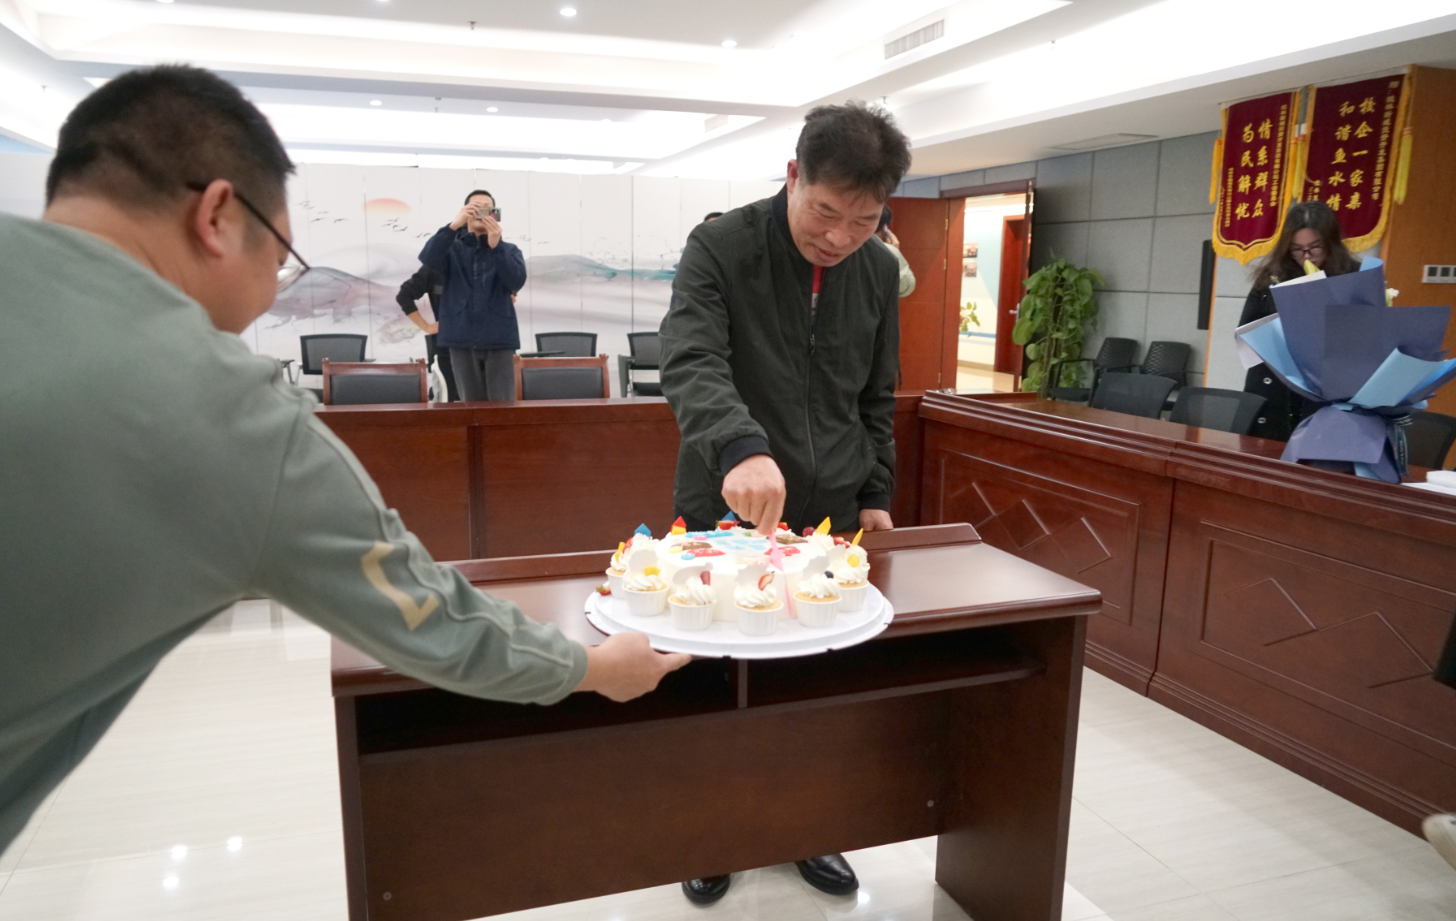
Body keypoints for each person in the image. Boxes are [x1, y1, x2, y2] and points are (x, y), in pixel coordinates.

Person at [0, 64, 689, 857]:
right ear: (217, 214)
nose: (272, 292)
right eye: (281, 257)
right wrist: (592, 666)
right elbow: (426, 615)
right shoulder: (230, 415)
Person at [659, 100, 911, 904]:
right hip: (725, 509)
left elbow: (875, 395)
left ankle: (808, 825)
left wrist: (875, 489)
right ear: (793, 174)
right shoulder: (721, 247)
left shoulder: (876, 273)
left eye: (864, 221)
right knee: (716, 683)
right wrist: (739, 443)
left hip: (827, 518)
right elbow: (690, 357)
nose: (839, 237)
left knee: (814, 690)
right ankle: (711, 831)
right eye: (825, 211)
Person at [1239, 200, 1359, 440]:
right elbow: (1246, 334)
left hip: (1328, 388)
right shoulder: (1271, 277)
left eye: (1315, 247)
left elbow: (1368, 336)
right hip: (1275, 385)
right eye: (1296, 249)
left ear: (1331, 242)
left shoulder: (1354, 275)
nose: (1306, 256)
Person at [419, 190, 525, 402]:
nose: (482, 212)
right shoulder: (451, 249)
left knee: (503, 406)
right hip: (460, 335)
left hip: (499, 337)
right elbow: (429, 258)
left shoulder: (509, 250)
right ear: (465, 211)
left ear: (495, 215)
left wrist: (496, 247)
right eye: (476, 207)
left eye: (488, 208)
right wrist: (453, 226)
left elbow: (516, 282)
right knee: (470, 406)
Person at [396, 262, 458, 402]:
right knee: (446, 405)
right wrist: (426, 327)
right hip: (447, 351)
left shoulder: (487, 263)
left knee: (486, 406)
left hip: (486, 349)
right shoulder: (436, 266)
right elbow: (404, 295)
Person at [874, 204, 916, 297]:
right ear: (884, 227)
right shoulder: (887, 252)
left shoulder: (845, 246)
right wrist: (892, 255)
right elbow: (905, 288)